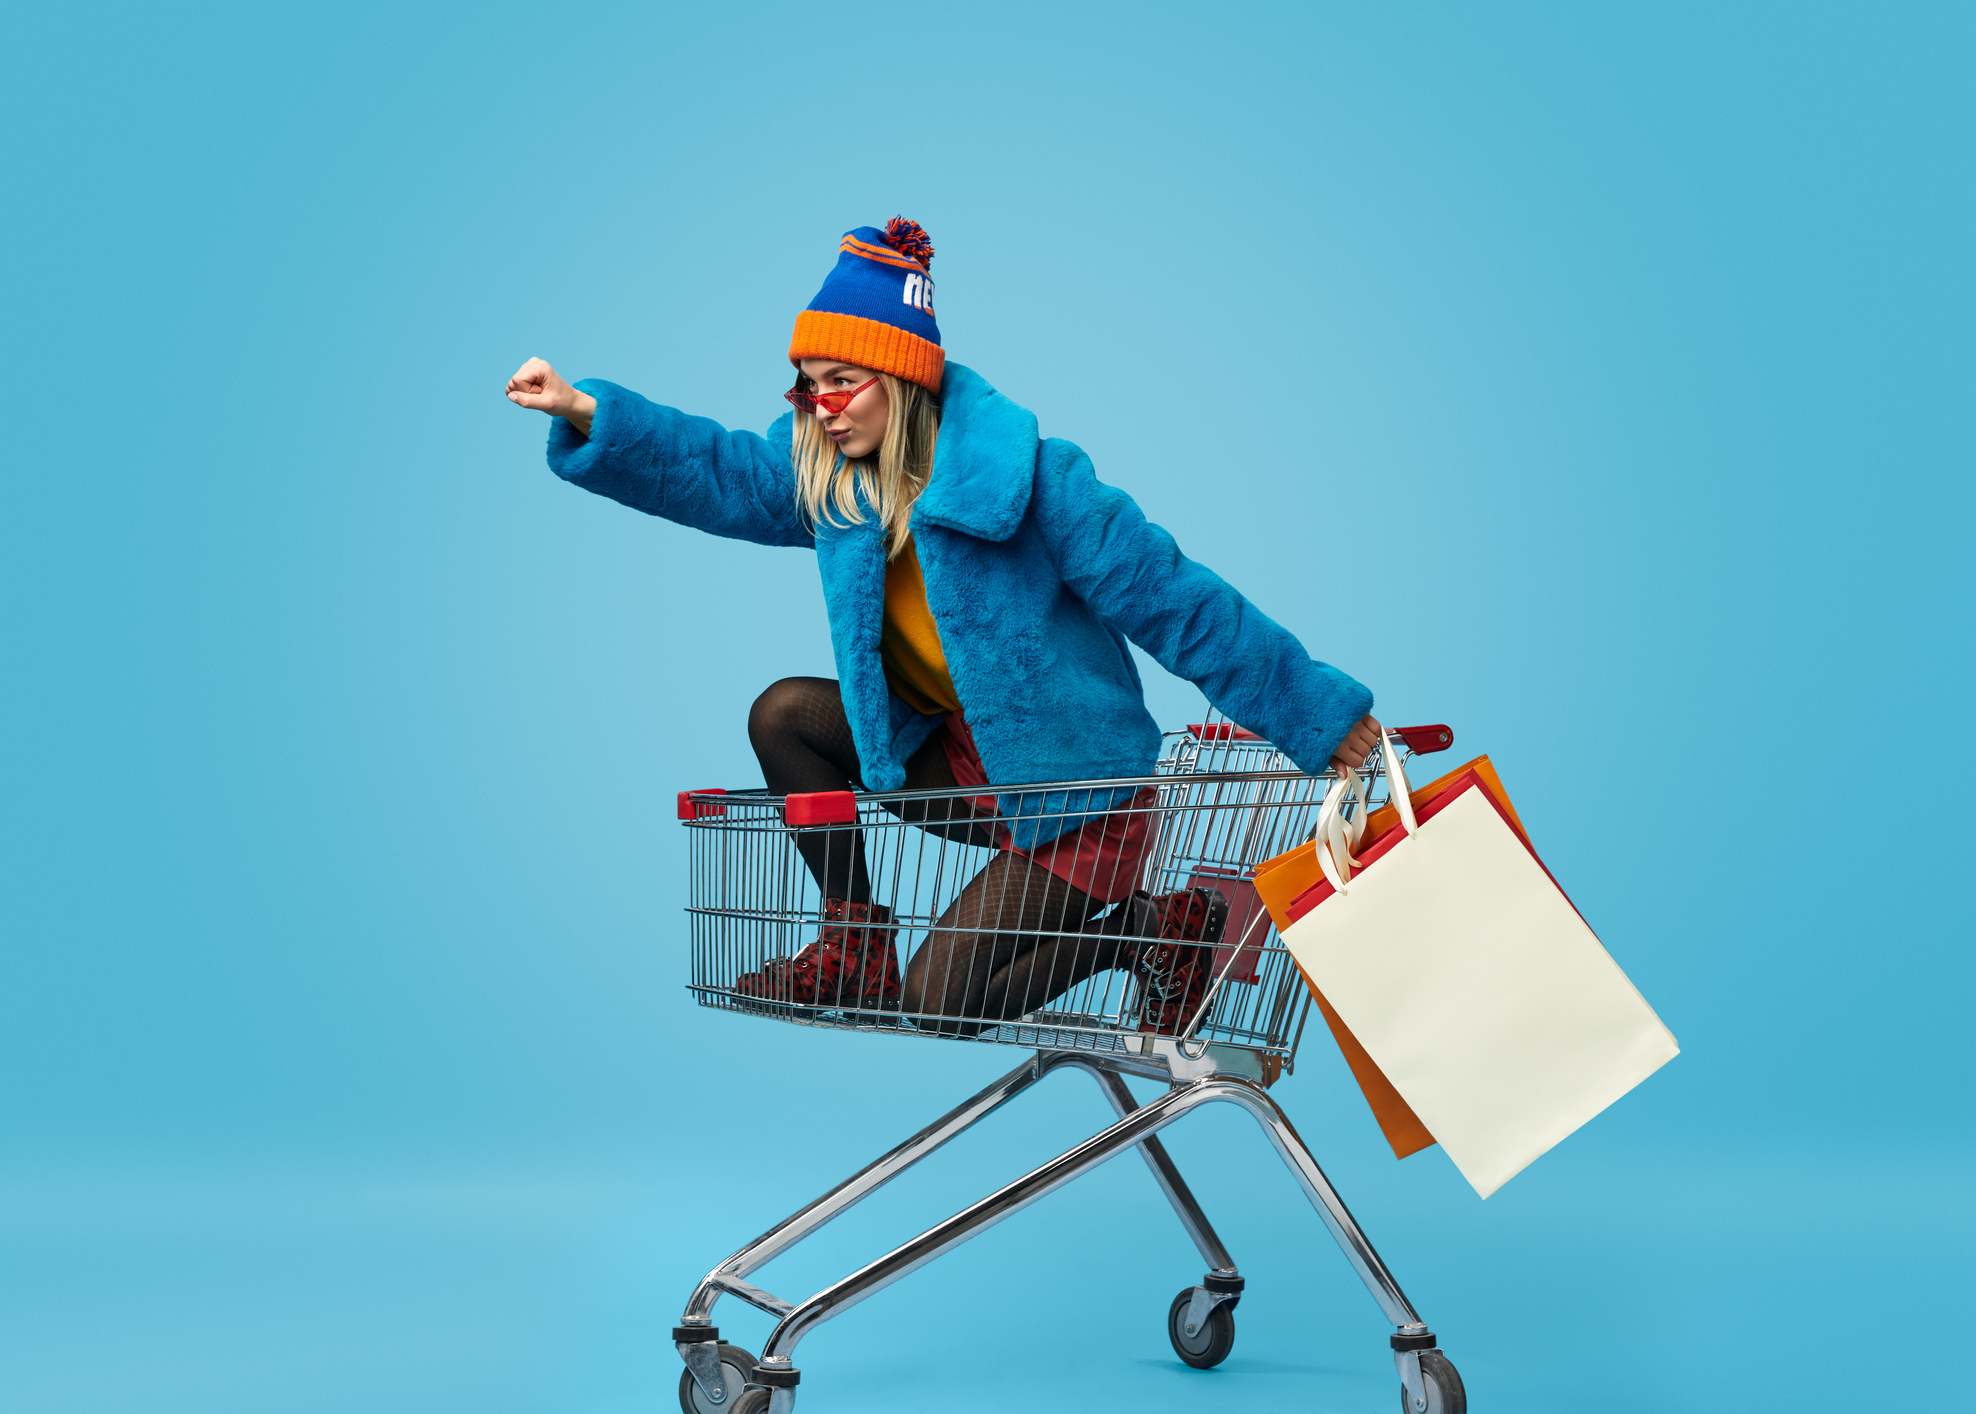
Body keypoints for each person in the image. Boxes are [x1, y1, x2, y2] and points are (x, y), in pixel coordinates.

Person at [505, 217, 1381, 1034]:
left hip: (1074, 792)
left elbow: (1175, 600)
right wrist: (586, 411)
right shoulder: (832, 480)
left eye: (844, 383)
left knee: (939, 1003)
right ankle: (855, 941)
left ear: (904, 380)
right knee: (785, 714)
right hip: (961, 765)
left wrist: (1314, 712)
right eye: (810, 388)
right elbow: (719, 470)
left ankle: (1154, 931)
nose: (825, 408)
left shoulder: (1038, 482)